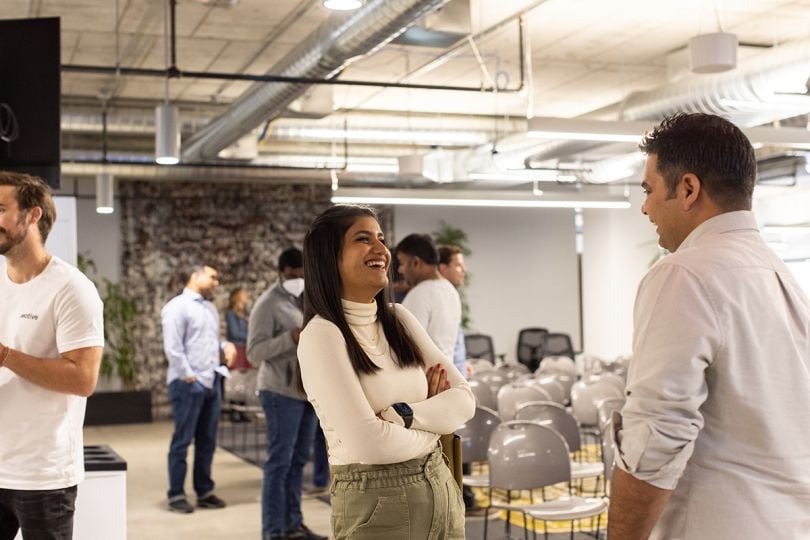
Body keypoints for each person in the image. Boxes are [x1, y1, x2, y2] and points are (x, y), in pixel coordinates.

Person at [608, 113, 810, 539]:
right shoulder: (779, 275)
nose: (644, 207)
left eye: (648, 191)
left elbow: (655, 438)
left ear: (687, 189)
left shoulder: (684, 274)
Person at [298, 204, 475, 540]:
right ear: (328, 257)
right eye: (363, 240)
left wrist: (403, 416)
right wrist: (435, 424)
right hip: (380, 504)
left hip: (441, 487)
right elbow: (369, 445)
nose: (381, 250)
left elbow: (464, 401)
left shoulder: (399, 319)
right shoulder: (322, 335)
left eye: (381, 239)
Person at [0, 172, 104, 540]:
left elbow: (82, 379)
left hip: (42, 474)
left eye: (0, 209)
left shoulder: (72, 289)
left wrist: (6, 355)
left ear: (32, 216)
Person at [247, 248, 325, 540]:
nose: (299, 279)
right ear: (283, 272)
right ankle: (273, 531)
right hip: (279, 392)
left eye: (303, 274)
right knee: (279, 463)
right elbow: (254, 353)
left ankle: (293, 524)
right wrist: (288, 338)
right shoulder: (268, 304)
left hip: (306, 392)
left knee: (297, 462)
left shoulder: (307, 299)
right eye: (294, 274)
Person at [161, 264, 235, 514]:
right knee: (182, 441)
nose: (217, 282)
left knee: (208, 440)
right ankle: (176, 494)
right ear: (195, 276)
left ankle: (204, 491)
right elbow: (173, 347)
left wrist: (225, 345)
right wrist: (189, 376)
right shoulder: (177, 307)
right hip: (188, 384)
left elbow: (207, 341)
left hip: (212, 380)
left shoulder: (210, 308)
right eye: (213, 277)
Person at [396, 234, 462, 360]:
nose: (400, 270)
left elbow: (406, 348)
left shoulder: (420, 294)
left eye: (402, 263)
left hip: (425, 376)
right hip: (446, 373)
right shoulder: (450, 290)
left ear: (416, 262)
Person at [438, 244, 471, 378]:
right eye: (458, 265)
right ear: (443, 268)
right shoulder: (439, 299)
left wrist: (463, 363)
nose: (464, 269)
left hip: (459, 374)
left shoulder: (452, 296)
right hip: (449, 378)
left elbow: (454, 341)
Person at [225, 287, 251, 371]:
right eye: (244, 294)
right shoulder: (231, 314)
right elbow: (235, 333)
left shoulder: (245, 313)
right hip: (238, 349)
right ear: (237, 296)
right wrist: (250, 337)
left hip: (247, 349)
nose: (246, 295)